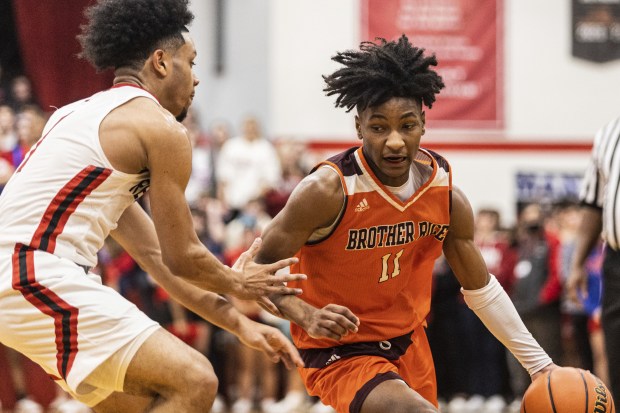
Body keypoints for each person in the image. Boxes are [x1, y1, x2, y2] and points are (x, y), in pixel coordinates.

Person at [0, 1, 305, 412]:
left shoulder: (79, 116)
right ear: (161, 62)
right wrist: (241, 284)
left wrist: (240, 323)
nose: (196, 79)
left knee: (144, 402)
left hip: (22, 275)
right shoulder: (160, 129)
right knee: (195, 381)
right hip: (30, 269)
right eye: (191, 62)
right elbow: (185, 256)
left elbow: (159, 257)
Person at [254, 35, 558, 413]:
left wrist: (540, 365)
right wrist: (305, 315)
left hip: (409, 342)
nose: (394, 141)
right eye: (379, 127)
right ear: (359, 127)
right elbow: (257, 270)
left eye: (407, 125)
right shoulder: (327, 190)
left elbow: (481, 290)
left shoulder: (444, 195)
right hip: (339, 349)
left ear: (424, 124)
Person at [567, 114, 620, 401]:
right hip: (616, 262)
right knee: (616, 360)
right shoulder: (609, 133)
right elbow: (593, 203)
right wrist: (578, 263)